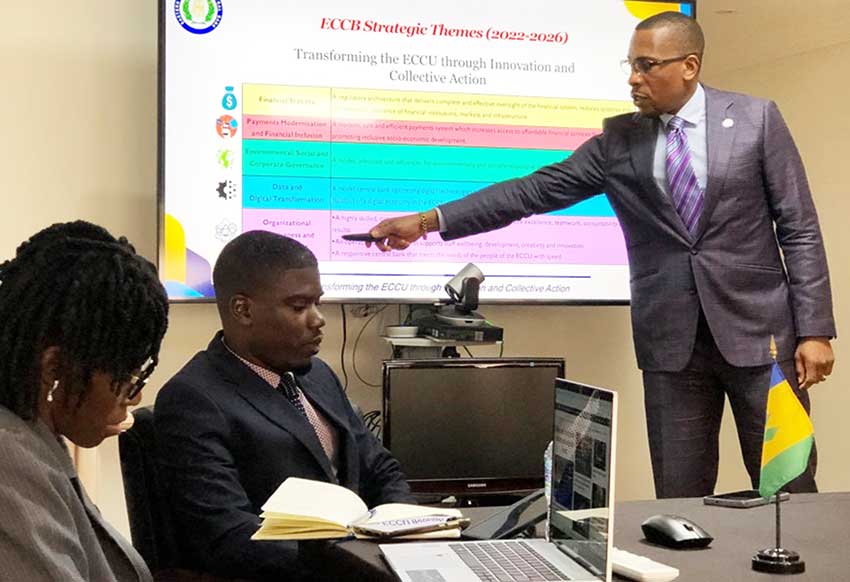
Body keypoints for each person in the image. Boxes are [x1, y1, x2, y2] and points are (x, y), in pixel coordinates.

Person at [365, 12, 835, 498]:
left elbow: (799, 227)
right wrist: (426, 221)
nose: (634, 78)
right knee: (680, 498)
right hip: (672, 348)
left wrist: (815, 331)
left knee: (789, 491)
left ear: (689, 66)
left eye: (647, 65)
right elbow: (533, 191)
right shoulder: (618, 142)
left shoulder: (756, 119)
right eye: (630, 65)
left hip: (763, 341)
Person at [154, 230, 413, 581]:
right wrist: (353, 560)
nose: (318, 319)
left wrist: (409, 530)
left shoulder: (317, 374)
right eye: (298, 306)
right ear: (242, 309)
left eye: (317, 303)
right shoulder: (193, 399)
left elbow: (380, 468)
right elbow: (228, 535)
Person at [0, 221, 169, 581]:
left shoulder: (32, 438)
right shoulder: (9, 460)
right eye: (124, 375)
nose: (135, 395)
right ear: (55, 367)